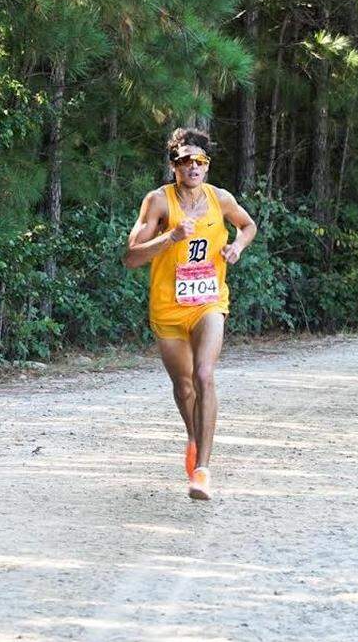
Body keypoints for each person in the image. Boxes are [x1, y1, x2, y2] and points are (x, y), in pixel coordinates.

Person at [123, 127, 258, 500]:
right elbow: (131, 257)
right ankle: (194, 438)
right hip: (168, 307)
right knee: (183, 387)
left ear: (207, 166)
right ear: (174, 167)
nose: (193, 167)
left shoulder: (221, 199)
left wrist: (237, 248)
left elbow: (248, 226)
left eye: (200, 161)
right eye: (185, 161)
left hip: (209, 302)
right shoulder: (159, 202)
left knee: (204, 374)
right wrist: (169, 238)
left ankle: (202, 471)